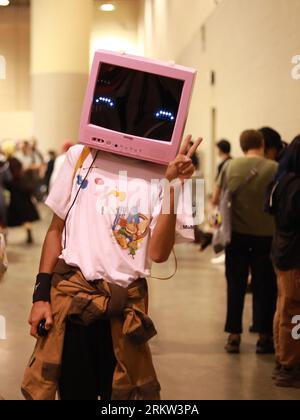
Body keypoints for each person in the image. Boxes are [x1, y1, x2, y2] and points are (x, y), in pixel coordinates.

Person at [22, 135, 202, 401]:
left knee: (121, 396)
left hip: (125, 310)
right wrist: (40, 296)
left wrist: (173, 186)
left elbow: (159, 253)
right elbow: (54, 231)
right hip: (74, 303)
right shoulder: (80, 155)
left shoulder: (172, 171)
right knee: (73, 391)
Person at [213, 130, 278, 354]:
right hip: (266, 236)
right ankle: (264, 337)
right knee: (264, 287)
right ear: (261, 143)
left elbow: (216, 198)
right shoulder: (274, 168)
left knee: (236, 284)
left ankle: (233, 336)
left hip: (237, 236)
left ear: (241, 146)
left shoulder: (230, 166)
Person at [266, 135, 300, 389]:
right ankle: (291, 365)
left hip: (281, 252)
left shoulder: (281, 179)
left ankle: (282, 359)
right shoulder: (297, 186)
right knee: (294, 311)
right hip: (294, 256)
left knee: (283, 308)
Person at [6, 157, 40, 244]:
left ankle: (4, 237)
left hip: (14, 201)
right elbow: (29, 188)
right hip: (25, 200)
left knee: (8, 220)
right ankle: (29, 235)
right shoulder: (23, 175)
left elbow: (7, 187)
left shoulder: (9, 178)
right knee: (27, 218)